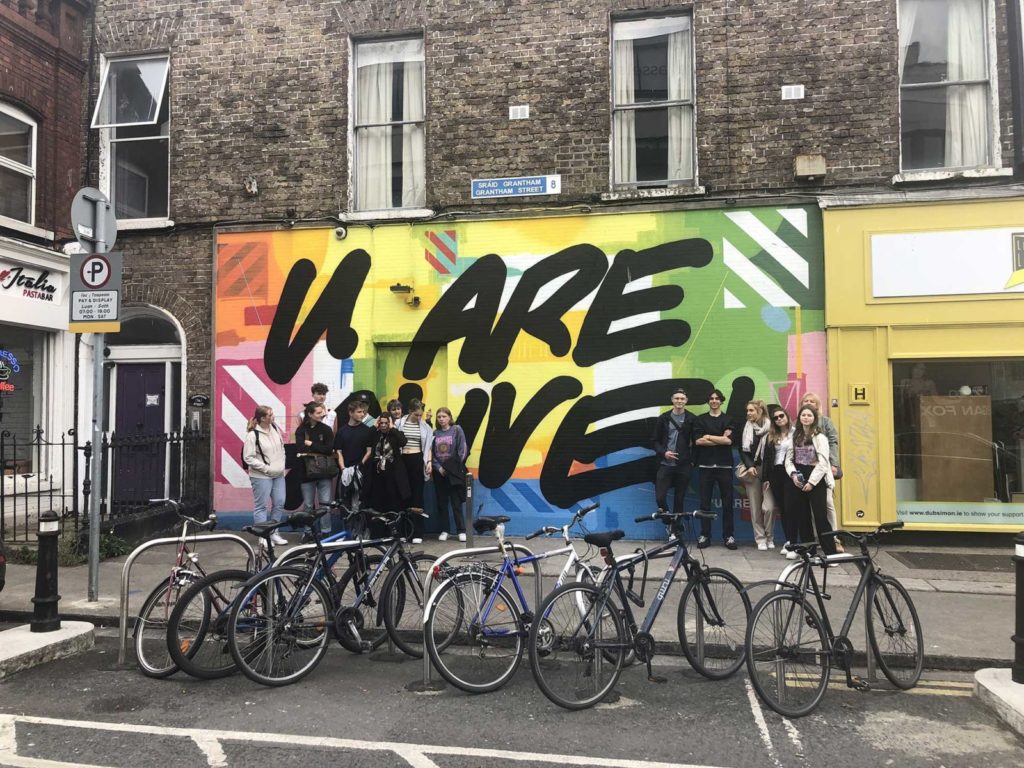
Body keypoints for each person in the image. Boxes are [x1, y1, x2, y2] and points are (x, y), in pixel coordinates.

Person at [785, 405, 837, 557]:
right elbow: (788, 459)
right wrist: (793, 475)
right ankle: (809, 551)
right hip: (799, 477)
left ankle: (831, 553)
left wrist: (812, 482)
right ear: (799, 418)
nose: (806, 418)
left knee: (820, 517)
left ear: (814, 418)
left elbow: (823, 462)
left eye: (809, 415)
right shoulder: (795, 436)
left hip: (816, 479)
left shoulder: (820, 437)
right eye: (803, 415)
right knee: (803, 517)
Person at [693, 389, 737, 549]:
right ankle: (705, 536)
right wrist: (720, 438)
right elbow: (698, 441)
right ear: (708, 401)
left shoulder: (729, 419)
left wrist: (709, 436)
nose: (714, 401)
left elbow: (728, 441)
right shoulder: (700, 420)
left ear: (721, 401)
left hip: (725, 466)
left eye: (717, 398)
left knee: (727, 503)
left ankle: (728, 536)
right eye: (711, 398)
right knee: (705, 503)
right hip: (705, 466)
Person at [801, 392, 842, 550]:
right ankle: (817, 539)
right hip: (807, 470)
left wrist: (833, 463)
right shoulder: (798, 424)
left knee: (828, 503)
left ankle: (834, 539)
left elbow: (833, 442)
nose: (809, 403)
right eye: (806, 400)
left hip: (823, 469)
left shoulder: (825, 422)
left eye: (812, 401)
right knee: (810, 508)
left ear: (817, 405)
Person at [243, 405, 288, 546]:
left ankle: (274, 533)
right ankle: (263, 536)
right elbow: (248, 457)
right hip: (261, 476)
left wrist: (281, 464)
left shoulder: (274, 429)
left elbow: (281, 448)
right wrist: (266, 469)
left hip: (278, 474)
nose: (273, 416)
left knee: (279, 503)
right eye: (270, 415)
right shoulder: (253, 435)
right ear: (262, 418)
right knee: (261, 506)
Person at [651, 388, 697, 517]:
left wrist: (692, 461)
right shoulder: (663, 418)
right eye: (677, 398)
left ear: (686, 401)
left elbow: (697, 442)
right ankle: (668, 520)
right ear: (672, 400)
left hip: (684, 465)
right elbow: (654, 441)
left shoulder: (692, 419)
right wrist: (664, 453)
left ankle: (676, 527)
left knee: (679, 499)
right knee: (660, 498)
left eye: (682, 399)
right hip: (665, 464)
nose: (679, 401)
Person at [296, 401, 336, 538]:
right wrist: (320, 448)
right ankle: (308, 533)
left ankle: (326, 532)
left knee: (325, 505)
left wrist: (311, 444)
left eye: (322, 412)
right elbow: (300, 448)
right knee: (308, 505)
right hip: (306, 473)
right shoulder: (301, 430)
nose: (322, 414)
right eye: (318, 413)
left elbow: (329, 449)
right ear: (310, 414)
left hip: (324, 473)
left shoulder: (326, 429)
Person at [396, 400, 433, 544]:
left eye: (420, 415)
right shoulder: (399, 423)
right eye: (416, 415)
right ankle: (404, 531)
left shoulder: (425, 427)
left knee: (417, 495)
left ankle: (417, 532)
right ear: (410, 411)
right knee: (403, 495)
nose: (419, 417)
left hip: (417, 459)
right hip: (402, 460)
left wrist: (429, 462)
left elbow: (428, 446)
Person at [362, 412, 410, 517]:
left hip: (393, 473)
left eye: (386, 423)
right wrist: (374, 426)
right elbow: (365, 438)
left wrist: (392, 428)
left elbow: (403, 442)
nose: (383, 425)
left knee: (393, 500)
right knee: (378, 501)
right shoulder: (375, 434)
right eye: (381, 423)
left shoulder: (395, 434)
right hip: (377, 473)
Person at [431, 407, 469, 541]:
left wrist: (451, 468)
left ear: (449, 418)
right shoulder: (435, 433)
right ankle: (445, 530)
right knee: (442, 502)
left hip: (454, 473)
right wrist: (438, 467)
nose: (441, 419)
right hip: (439, 473)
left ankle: (461, 530)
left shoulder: (457, 430)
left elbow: (462, 450)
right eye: (439, 417)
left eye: (444, 416)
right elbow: (431, 453)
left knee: (456, 502)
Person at [739, 399, 772, 550]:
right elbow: (743, 450)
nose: (748, 413)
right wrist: (750, 466)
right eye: (747, 410)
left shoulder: (772, 427)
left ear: (761, 411)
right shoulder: (746, 427)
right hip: (753, 470)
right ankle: (760, 539)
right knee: (755, 507)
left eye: (751, 410)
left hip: (769, 471)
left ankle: (770, 536)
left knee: (769, 507)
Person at [763, 408, 796, 558]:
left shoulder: (796, 433)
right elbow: (766, 459)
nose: (779, 419)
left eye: (781, 416)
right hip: (775, 473)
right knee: (782, 508)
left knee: (790, 507)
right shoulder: (771, 435)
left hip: (790, 472)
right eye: (775, 418)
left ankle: (794, 542)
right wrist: (766, 478)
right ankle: (789, 540)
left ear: (787, 416)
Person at [333, 399, 373, 519]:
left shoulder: (367, 430)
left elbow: (369, 451)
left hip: (361, 472)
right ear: (351, 413)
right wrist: (343, 469)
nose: (362, 414)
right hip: (345, 472)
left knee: (360, 504)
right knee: (345, 504)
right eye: (359, 412)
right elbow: (338, 452)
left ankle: (360, 529)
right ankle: (347, 529)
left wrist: (360, 465)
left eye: (363, 412)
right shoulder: (342, 431)